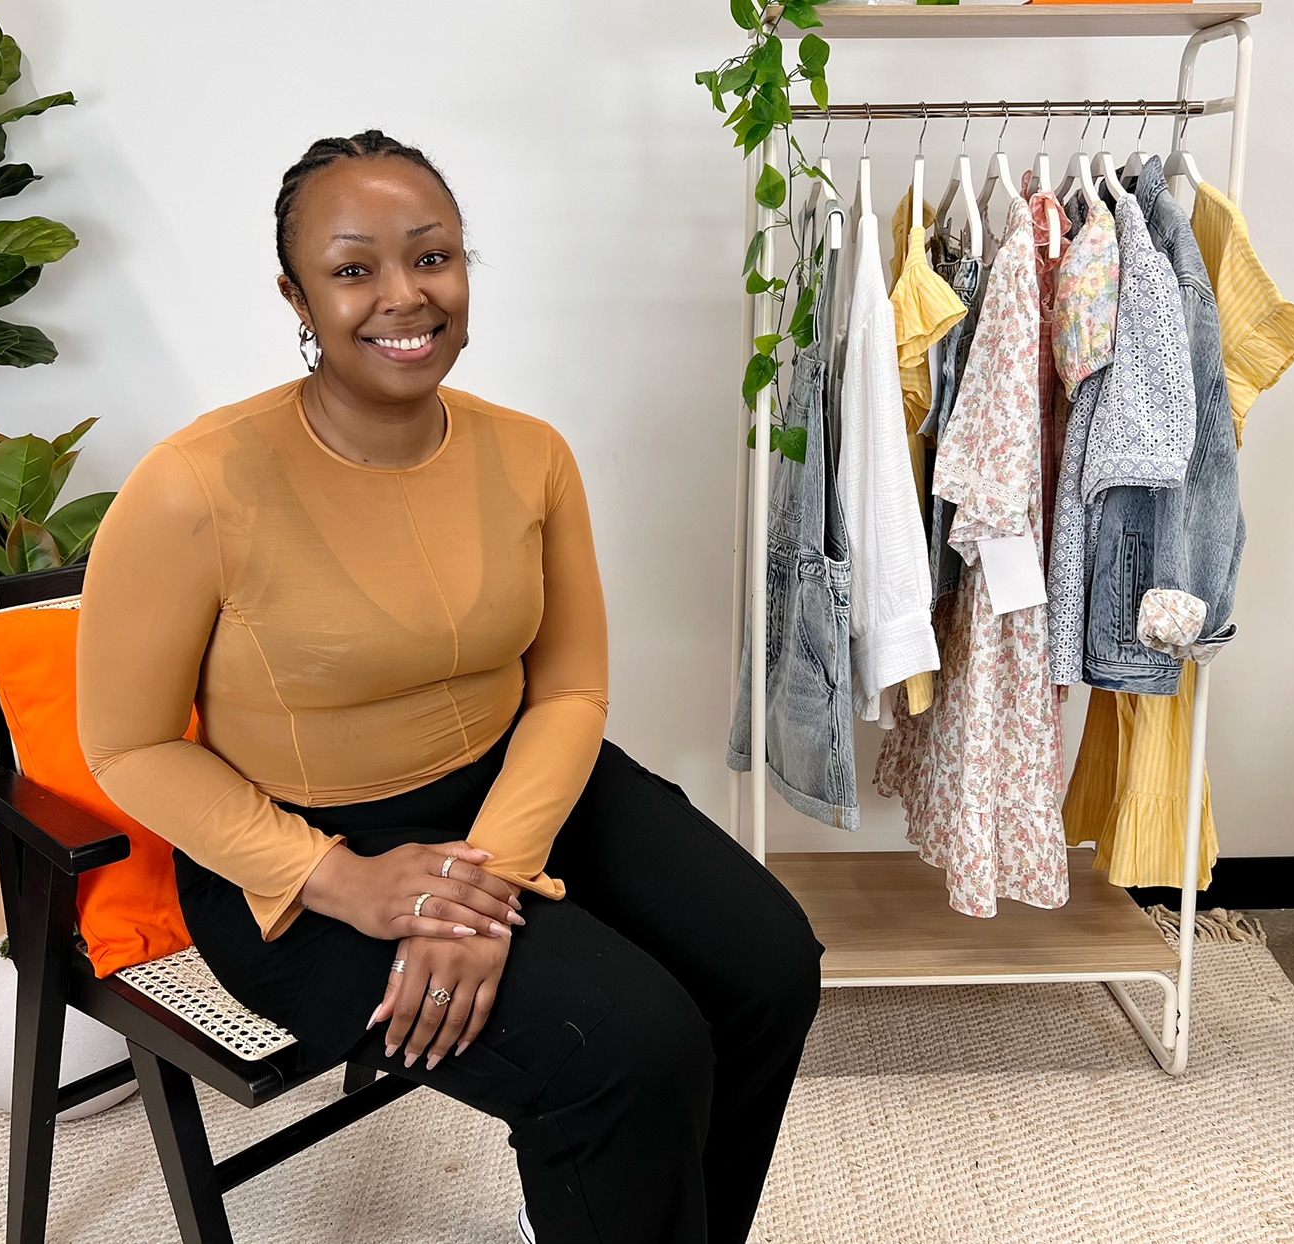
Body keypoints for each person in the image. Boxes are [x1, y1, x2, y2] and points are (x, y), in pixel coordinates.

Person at [76, 129, 823, 1244]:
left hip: (513, 788)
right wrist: (347, 881)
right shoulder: (192, 484)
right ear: (295, 293)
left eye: (431, 257)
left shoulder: (529, 453)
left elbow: (567, 688)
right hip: (304, 857)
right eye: (351, 267)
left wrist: (486, 879)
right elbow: (130, 746)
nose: (401, 296)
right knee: (627, 1049)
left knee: (767, 966)